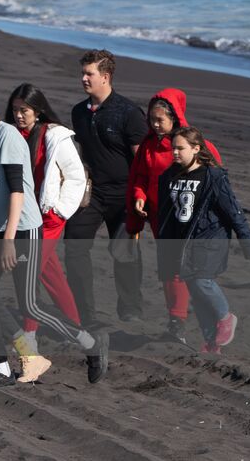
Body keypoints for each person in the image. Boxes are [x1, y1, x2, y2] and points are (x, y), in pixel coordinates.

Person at [0, 86, 109, 389]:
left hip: (23, 231)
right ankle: (1, 370)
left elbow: (17, 190)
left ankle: (90, 343)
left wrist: (10, 239)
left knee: (30, 306)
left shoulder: (6, 136)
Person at [129, 89, 223, 342]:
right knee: (171, 270)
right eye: (152, 119)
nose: (155, 125)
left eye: (160, 120)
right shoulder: (148, 145)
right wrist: (139, 194)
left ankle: (214, 318)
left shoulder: (193, 144)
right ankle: (176, 321)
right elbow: (140, 175)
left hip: (190, 219)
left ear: (175, 117)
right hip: (162, 219)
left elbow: (215, 178)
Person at [65, 49, 149, 327]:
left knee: (124, 251)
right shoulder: (78, 112)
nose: (83, 78)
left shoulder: (129, 113)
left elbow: (142, 160)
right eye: (83, 73)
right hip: (92, 193)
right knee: (74, 244)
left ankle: (130, 307)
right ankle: (85, 312)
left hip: (126, 194)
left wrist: (141, 195)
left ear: (106, 76)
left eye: (89, 73)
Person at [5, 84, 86, 368]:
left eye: (24, 110)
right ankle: (79, 329)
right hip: (26, 217)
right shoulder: (11, 134)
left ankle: (30, 338)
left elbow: (76, 177)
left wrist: (61, 210)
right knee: (50, 274)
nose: (19, 115)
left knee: (29, 274)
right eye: (15, 110)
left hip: (49, 219)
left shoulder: (54, 136)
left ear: (38, 111)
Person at [155, 126, 250, 354]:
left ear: (196, 148)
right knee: (196, 293)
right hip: (183, 242)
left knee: (202, 281)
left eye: (181, 148)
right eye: (173, 149)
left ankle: (225, 317)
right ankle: (212, 343)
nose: (175, 153)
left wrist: (246, 239)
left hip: (209, 239)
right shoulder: (169, 175)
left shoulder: (213, 177)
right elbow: (166, 212)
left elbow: (232, 210)